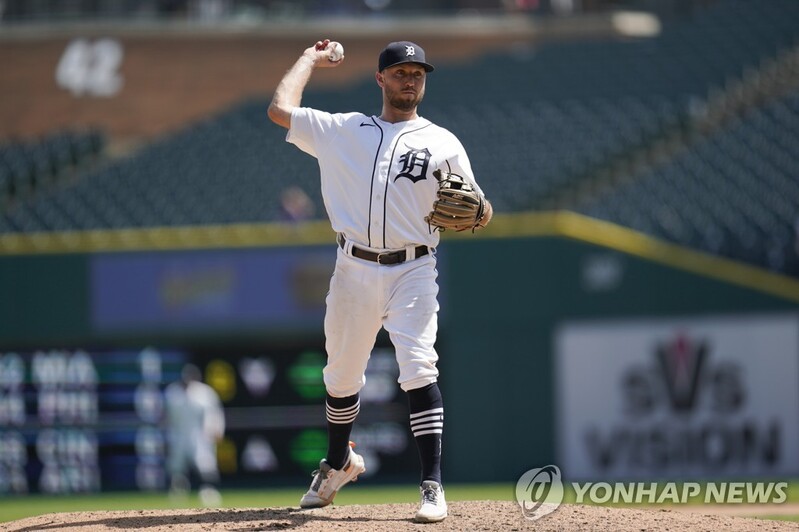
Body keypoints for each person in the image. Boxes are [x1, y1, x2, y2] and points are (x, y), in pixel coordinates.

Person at [268, 39, 493, 523]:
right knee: (340, 376)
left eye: (418, 72)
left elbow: (478, 207)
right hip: (353, 267)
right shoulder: (343, 130)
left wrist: (481, 211)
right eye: (400, 71)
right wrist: (309, 59)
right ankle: (338, 463)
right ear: (381, 79)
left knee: (417, 365)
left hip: (415, 267)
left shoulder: (443, 142)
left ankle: (431, 485)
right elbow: (279, 109)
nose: (410, 79)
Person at [164, 363, 226, 507]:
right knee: (176, 464)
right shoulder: (173, 392)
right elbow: (166, 417)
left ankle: (209, 491)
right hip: (178, 433)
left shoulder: (205, 393)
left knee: (205, 462)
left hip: (200, 434)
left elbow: (214, 413)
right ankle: (178, 492)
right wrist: (166, 435)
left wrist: (216, 430)